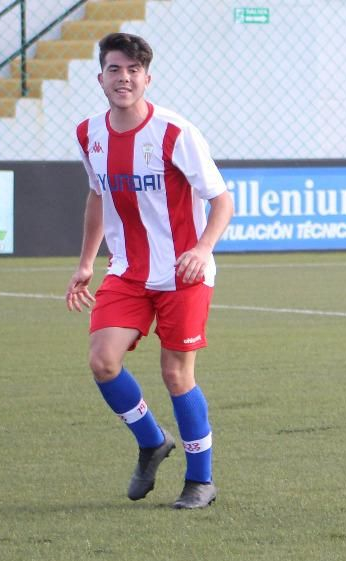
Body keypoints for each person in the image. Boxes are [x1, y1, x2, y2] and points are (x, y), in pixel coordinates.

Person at [65, 32, 233, 510]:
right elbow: (98, 195)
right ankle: (151, 441)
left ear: (147, 78)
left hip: (184, 273)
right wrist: (84, 264)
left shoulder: (176, 132)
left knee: (176, 374)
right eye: (115, 70)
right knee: (102, 360)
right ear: (101, 78)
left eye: (133, 70)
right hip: (128, 271)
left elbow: (222, 200)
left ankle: (201, 480)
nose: (124, 78)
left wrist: (202, 249)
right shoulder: (88, 133)